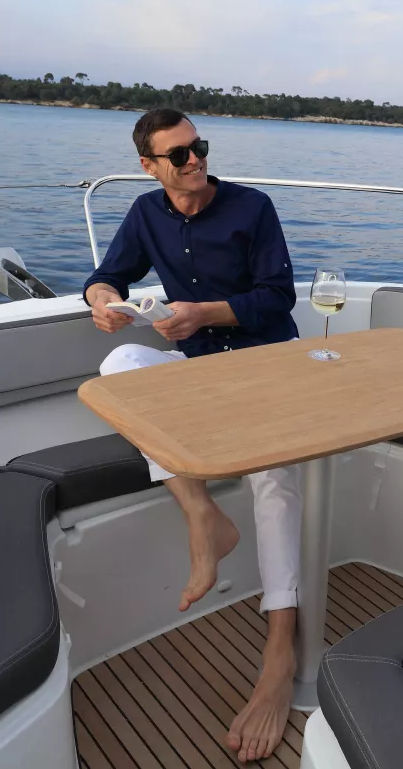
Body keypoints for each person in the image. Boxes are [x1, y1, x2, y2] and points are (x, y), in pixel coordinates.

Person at [82, 108, 300, 764]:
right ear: (149, 166)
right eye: (177, 154)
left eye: (197, 146)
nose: (194, 159)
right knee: (119, 366)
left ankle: (280, 653)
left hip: (267, 364)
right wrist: (102, 302)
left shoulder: (252, 208)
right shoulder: (145, 214)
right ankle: (201, 512)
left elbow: (279, 297)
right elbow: (107, 275)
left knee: (275, 475)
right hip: (200, 369)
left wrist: (203, 313)